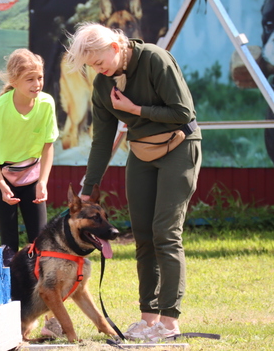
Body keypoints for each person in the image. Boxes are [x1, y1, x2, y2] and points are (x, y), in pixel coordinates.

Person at [64, 22, 202, 342]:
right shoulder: (103, 85)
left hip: (180, 146)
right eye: (91, 66)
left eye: (100, 62)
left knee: (165, 233)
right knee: (143, 235)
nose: (98, 70)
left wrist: (135, 109)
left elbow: (183, 112)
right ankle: (148, 319)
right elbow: (102, 141)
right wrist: (87, 189)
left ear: (115, 46)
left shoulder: (155, 59)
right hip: (142, 153)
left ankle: (169, 323)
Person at [0, 48, 59, 257]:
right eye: (30, 79)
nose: (37, 84)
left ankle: (38, 278)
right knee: (9, 244)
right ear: (14, 81)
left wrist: (42, 182)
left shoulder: (47, 103)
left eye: (40, 78)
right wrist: (2, 185)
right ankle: (9, 278)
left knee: (41, 243)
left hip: (33, 174)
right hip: (3, 176)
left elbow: (48, 146)